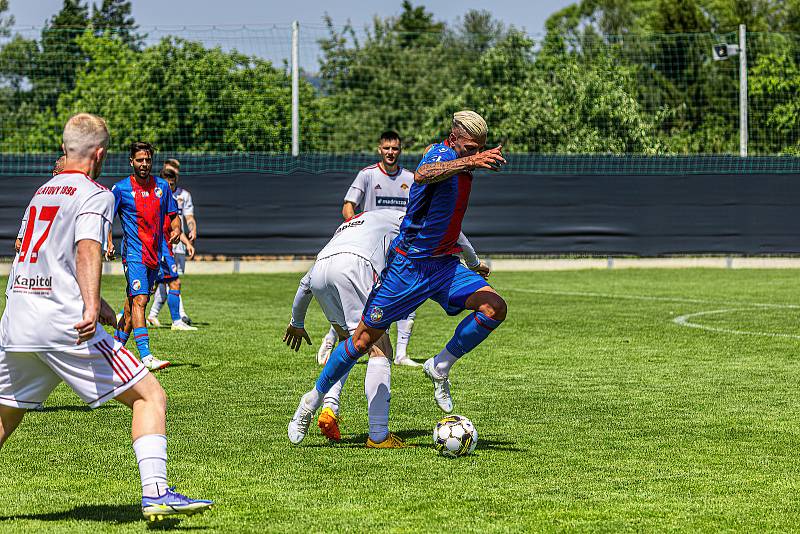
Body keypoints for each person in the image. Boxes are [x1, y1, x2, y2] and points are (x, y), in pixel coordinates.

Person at [0, 113, 213, 520]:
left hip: (17, 322)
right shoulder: (95, 193)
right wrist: (90, 309)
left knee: (5, 415)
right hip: (66, 325)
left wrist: (109, 312)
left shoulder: (42, 191)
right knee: (151, 395)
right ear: (100, 154)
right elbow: (85, 252)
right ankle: (157, 493)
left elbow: (48, 261)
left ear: (66, 149)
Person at [288, 110, 507, 445]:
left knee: (494, 307)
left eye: (480, 148)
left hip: (444, 266)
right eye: (471, 146)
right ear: (456, 136)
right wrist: (467, 162)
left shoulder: (464, 163)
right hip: (408, 268)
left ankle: (440, 366)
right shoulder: (442, 154)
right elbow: (423, 174)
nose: (475, 153)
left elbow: (453, 227)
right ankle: (312, 400)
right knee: (363, 342)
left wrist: (473, 263)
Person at [283, 210, 405, 447]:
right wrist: (470, 262)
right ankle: (379, 435)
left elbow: (305, 284)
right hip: (354, 266)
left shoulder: (349, 226)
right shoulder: (401, 216)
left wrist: (296, 323)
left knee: (348, 343)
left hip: (320, 270)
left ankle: (327, 407)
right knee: (378, 346)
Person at [108, 142, 181, 371]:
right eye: (140, 160)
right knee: (140, 301)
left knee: (131, 306)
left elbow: (173, 215)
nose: (144, 164)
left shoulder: (162, 186)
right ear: (132, 161)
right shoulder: (120, 189)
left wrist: (177, 229)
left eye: (148, 160)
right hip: (133, 254)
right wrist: (108, 242)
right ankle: (146, 356)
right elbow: (107, 217)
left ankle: (114, 352)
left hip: (154, 255)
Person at [147, 159, 197, 326]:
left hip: (175, 245)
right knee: (165, 282)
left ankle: (153, 315)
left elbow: (186, 219)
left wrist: (190, 233)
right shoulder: (156, 195)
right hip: (159, 245)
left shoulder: (182, 196)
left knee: (166, 282)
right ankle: (179, 317)